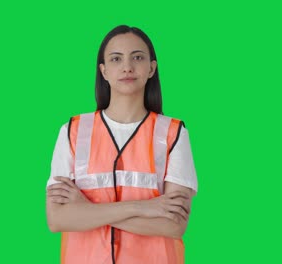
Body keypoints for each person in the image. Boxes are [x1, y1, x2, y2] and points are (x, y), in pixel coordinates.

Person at [45, 25, 198, 264]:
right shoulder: (73, 131)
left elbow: (173, 225)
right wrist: (144, 207)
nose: (127, 67)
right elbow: (57, 219)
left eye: (137, 57)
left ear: (151, 68)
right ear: (103, 71)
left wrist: (86, 210)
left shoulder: (173, 133)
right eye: (116, 59)